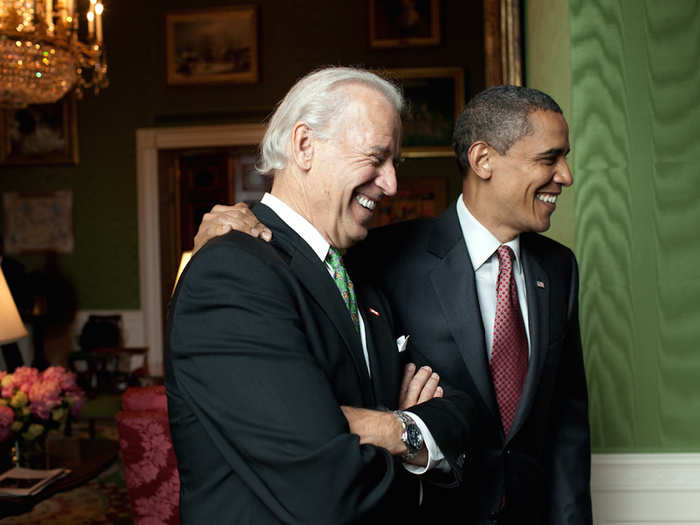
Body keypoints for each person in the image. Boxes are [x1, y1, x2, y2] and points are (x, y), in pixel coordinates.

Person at [195, 85, 593, 524]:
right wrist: (401, 426)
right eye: (548, 158)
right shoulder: (378, 257)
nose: (566, 176)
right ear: (482, 160)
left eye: (395, 163)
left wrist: (393, 425)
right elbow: (305, 436)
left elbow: (558, 425)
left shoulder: (559, 269)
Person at [166, 67, 473, 524]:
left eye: (395, 164)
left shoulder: (363, 278)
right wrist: (403, 430)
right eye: (376, 157)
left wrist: (384, 427)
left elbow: (460, 410)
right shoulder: (232, 273)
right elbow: (328, 490)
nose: (390, 184)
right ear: (304, 145)